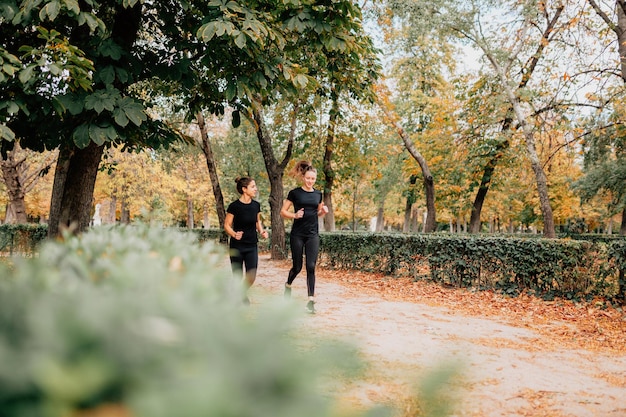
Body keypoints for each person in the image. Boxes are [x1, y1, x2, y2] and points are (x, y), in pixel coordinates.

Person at [280, 160, 329, 313]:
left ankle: (311, 302)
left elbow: (318, 213)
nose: (310, 181)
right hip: (298, 234)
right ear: (303, 177)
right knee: (297, 267)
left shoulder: (318, 194)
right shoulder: (294, 193)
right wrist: (294, 215)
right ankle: (288, 285)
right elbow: (283, 212)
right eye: (308, 178)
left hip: (313, 234)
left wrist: (324, 212)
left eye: (313, 179)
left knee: (311, 266)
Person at [224, 176, 269, 304]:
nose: (256, 189)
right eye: (253, 187)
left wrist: (261, 231)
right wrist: (233, 234)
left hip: (251, 245)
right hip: (236, 246)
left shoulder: (256, 205)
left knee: (251, 276)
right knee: (237, 276)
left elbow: (257, 221)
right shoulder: (234, 206)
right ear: (244, 189)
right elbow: (227, 225)